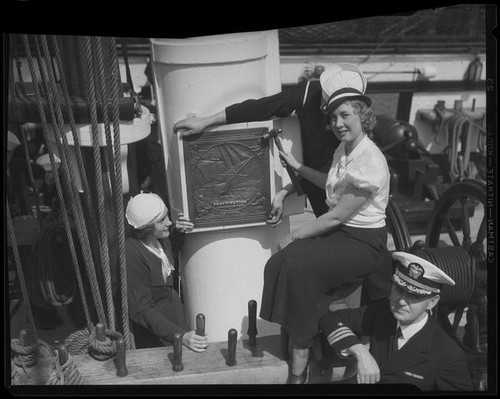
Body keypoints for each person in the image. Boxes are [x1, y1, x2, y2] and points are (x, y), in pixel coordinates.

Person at [256, 64, 392, 383]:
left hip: (364, 243)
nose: (338, 123)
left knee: (297, 266)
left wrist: (295, 236)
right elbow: (331, 184)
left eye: (345, 115)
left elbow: (337, 214)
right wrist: (297, 166)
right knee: (279, 263)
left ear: (362, 114)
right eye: (333, 118)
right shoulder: (344, 151)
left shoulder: (370, 160)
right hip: (341, 236)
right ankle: (302, 333)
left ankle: (301, 358)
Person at [172, 65, 351, 219]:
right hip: (318, 192)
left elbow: (330, 178)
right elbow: (262, 107)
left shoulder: (354, 138)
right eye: (324, 99)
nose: (323, 107)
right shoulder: (308, 93)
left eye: (336, 110)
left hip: (344, 200)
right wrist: (207, 121)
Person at [319, 251, 475, 391]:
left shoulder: (448, 356)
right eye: (399, 290)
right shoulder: (381, 314)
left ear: (432, 302)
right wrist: (360, 351)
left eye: (414, 296)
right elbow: (331, 319)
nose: (401, 302)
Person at [125, 192, 208, 352]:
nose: (169, 222)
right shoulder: (132, 253)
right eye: (162, 220)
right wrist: (180, 336)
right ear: (147, 227)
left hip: (176, 326)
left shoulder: (159, 241)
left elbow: (170, 250)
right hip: (157, 339)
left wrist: (179, 232)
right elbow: (142, 310)